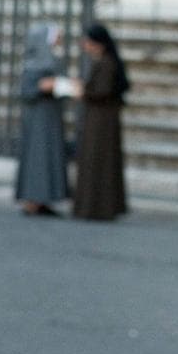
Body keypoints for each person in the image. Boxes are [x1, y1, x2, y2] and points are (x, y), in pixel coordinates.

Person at [72, 23, 130, 221]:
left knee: (98, 162)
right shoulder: (104, 61)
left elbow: (102, 91)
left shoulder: (106, 63)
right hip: (100, 118)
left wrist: (83, 92)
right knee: (96, 162)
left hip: (101, 121)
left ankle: (96, 207)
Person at [16, 22, 73, 216]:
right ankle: (32, 199)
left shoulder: (53, 60)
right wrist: (42, 86)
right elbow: (26, 91)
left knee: (49, 157)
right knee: (37, 158)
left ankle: (44, 198)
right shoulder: (33, 64)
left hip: (51, 117)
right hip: (38, 119)